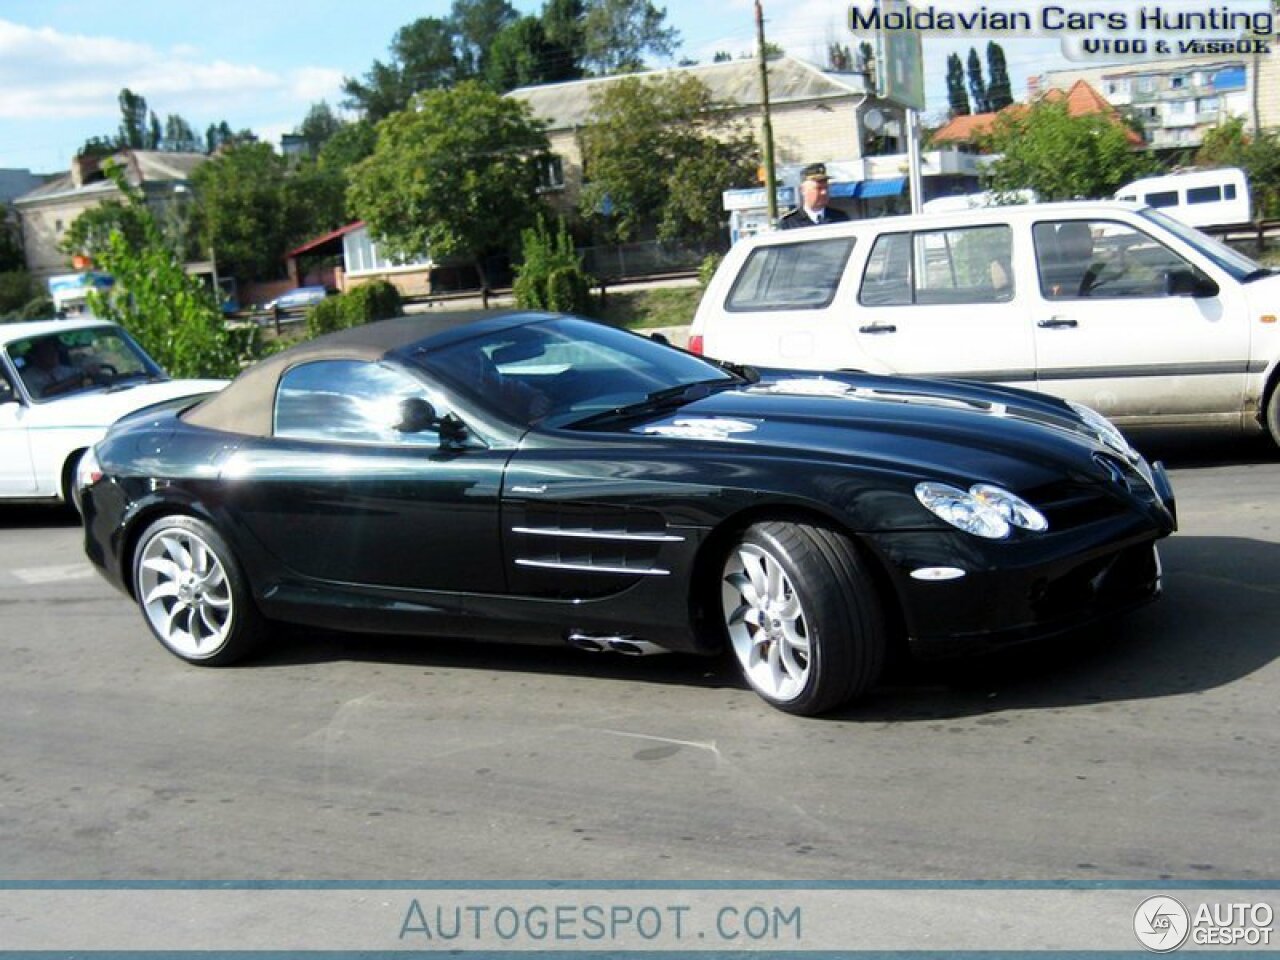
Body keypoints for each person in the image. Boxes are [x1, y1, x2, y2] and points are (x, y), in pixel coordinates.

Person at [779, 163, 850, 229]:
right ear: (803, 190)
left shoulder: (840, 218)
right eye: (818, 188)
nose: (824, 192)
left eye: (826, 188)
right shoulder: (789, 223)